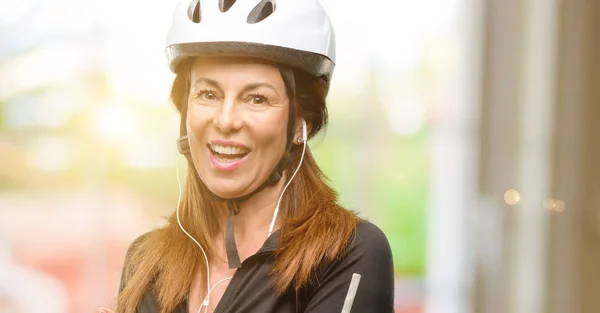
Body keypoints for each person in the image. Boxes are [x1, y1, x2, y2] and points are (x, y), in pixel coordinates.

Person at [96, 0, 394, 312]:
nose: (226, 121)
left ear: (300, 123)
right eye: (208, 94)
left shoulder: (347, 253)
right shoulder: (146, 261)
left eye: (257, 98)